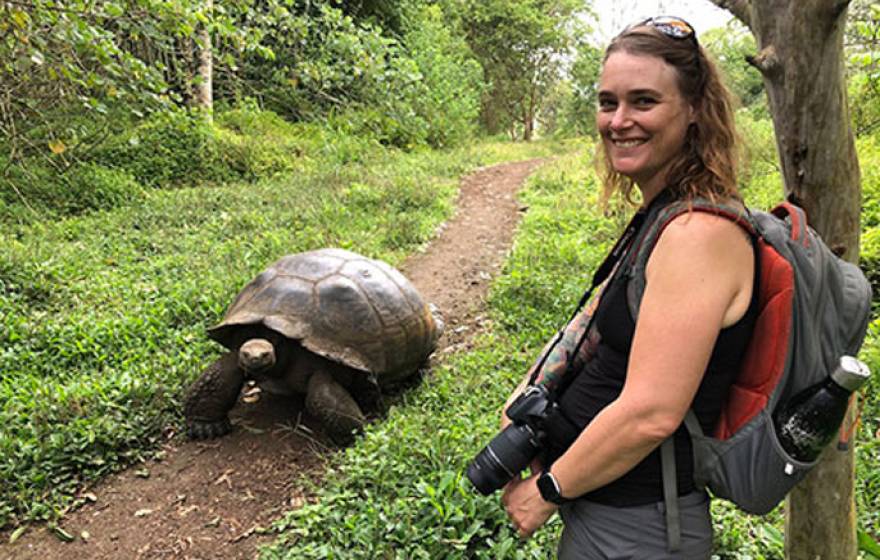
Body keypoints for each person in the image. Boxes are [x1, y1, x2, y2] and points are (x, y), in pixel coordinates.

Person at [499, 16, 757, 559]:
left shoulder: (698, 235)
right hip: (609, 510)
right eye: (607, 102)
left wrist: (546, 492)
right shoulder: (663, 214)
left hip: (640, 528)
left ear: (692, 111)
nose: (618, 121)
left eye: (643, 101)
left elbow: (652, 413)